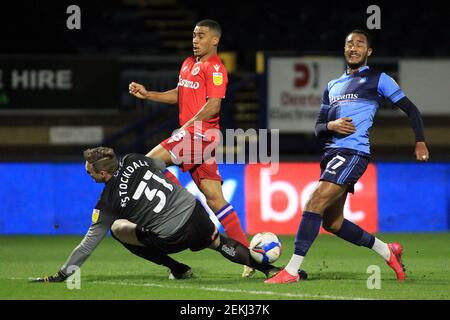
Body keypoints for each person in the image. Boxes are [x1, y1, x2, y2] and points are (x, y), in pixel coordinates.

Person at [266, 29, 430, 284]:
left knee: (314, 202)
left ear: (369, 51)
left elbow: (411, 110)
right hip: (332, 153)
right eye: (349, 44)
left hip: (354, 152)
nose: (354, 48)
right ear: (344, 50)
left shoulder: (379, 79)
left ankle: (291, 271)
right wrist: (331, 126)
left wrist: (419, 141)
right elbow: (318, 127)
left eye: (360, 44)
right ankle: (388, 251)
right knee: (332, 223)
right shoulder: (333, 86)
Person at [31, 147, 305, 283]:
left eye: (89, 171)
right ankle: (270, 269)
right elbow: (164, 170)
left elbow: (89, 243)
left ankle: (178, 268)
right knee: (218, 242)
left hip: (173, 236)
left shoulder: (107, 201)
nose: (88, 175)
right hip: (195, 211)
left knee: (117, 229)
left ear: (103, 173)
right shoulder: (135, 158)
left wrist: (64, 274)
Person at [128, 19, 254, 277]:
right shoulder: (188, 64)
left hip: (199, 135)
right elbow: (180, 94)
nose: (195, 40)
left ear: (215, 40)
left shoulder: (216, 68)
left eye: (201, 36)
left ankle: (178, 201)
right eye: (194, 35)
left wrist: (188, 125)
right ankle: (248, 257)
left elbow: (214, 105)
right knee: (215, 198)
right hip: (192, 134)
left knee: (146, 164)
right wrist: (149, 94)